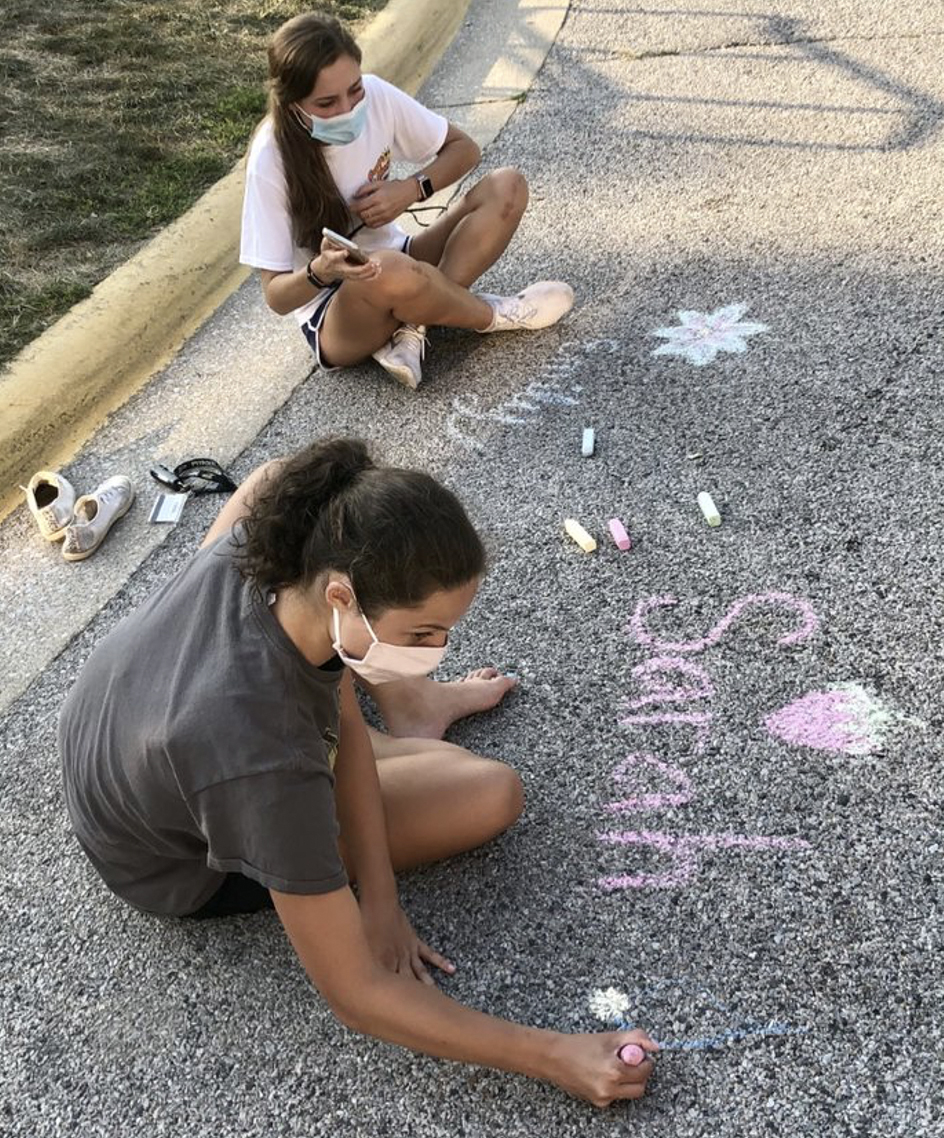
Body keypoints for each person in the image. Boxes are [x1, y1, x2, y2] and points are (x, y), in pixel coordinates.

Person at [58, 438, 656, 1108]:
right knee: (488, 792)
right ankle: (411, 720)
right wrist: (558, 1056)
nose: (439, 650)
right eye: (425, 633)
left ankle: (411, 713)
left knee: (420, 752)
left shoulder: (288, 549)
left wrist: (381, 889)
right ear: (341, 595)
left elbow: (328, 687)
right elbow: (358, 995)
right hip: (173, 860)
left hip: (124, 737)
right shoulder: (259, 757)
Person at [240, 12, 575, 390]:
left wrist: (411, 189)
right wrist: (322, 270)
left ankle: (415, 326)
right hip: (335, 314)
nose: (348, 110)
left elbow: (464, 150)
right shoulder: (270, 159)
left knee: (506, 187)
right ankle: (498, 314)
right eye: (326, 103)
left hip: (400, 262)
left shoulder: (377, 96)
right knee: (389, 268)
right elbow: (276, 297)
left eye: (354, 90)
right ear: (292, 106)